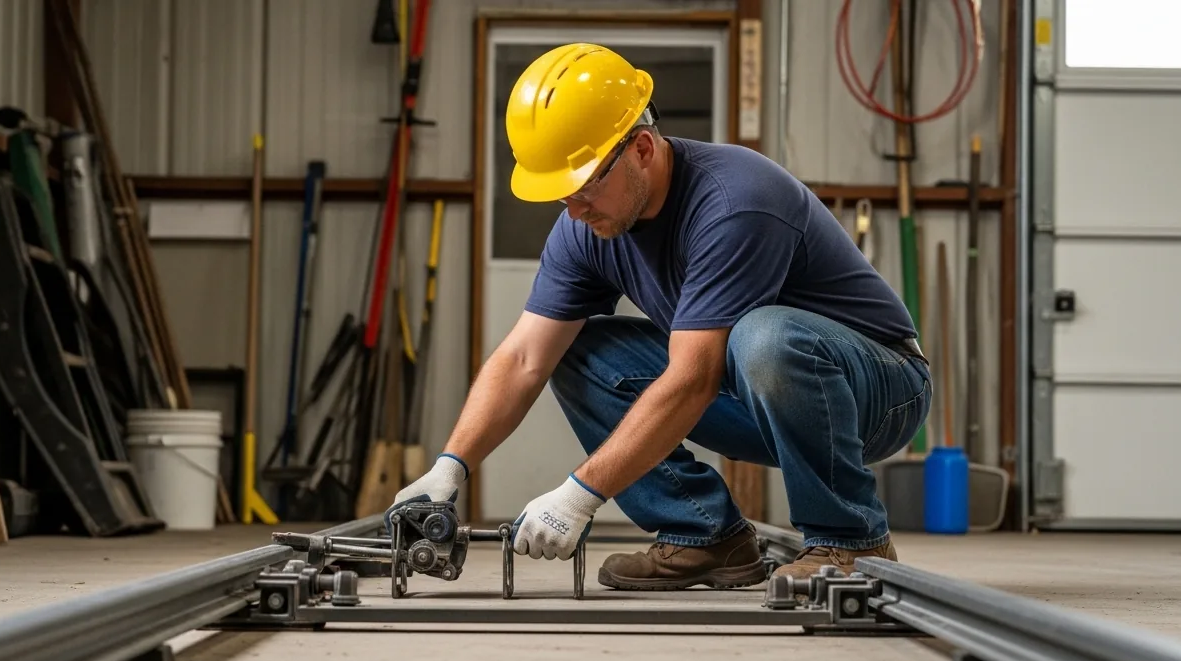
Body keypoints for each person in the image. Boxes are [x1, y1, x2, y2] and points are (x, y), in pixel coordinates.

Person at [388, 42, 932, 590]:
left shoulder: (736, 201)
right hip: (757, 394)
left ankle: (849, 539)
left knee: (763, 336)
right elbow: (525, 357)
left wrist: (579, 495)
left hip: (879, 392)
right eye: (560, 197)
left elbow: (693, 379)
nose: (574, 211)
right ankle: (704, 536)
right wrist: (449, 468)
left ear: (642, 148)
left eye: (583, 188)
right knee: (577, 353)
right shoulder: (588, 228)